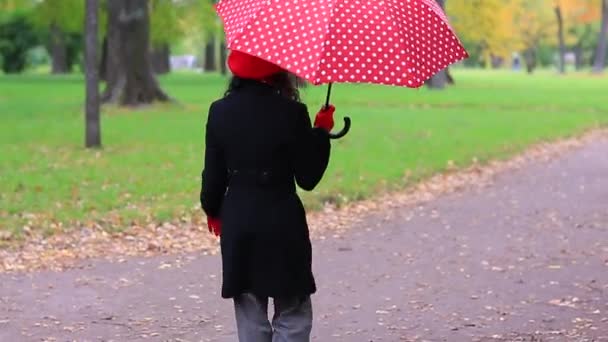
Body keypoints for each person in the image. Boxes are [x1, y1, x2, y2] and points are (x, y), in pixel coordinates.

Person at [200, 50, 336, 342]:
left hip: (240, 220)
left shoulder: (219, 111)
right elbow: (308, 177)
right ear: (277, 70)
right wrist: (321, 133)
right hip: (282, 222)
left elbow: (212, 178)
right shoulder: (292, 113)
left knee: (250, 313)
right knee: (293, 312)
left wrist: (213, 211)